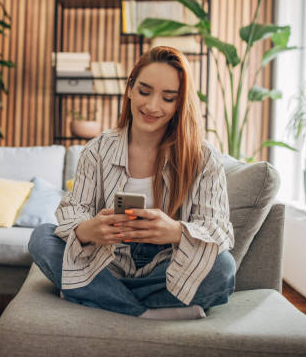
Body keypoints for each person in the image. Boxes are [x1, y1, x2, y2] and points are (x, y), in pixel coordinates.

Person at [29, 46, 236, 320]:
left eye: (168, 97)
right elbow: (72, 211)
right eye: (144, 91)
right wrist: (88, 229)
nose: (152, 106)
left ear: (180, 103)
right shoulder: (98, 149)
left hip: (169, 262)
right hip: (107, 260)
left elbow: (219, 230)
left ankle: (96, 295)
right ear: (130, 88)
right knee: (41, 237)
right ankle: (147, 313)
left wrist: (174, 231)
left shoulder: (203, 156)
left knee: (223, 267)